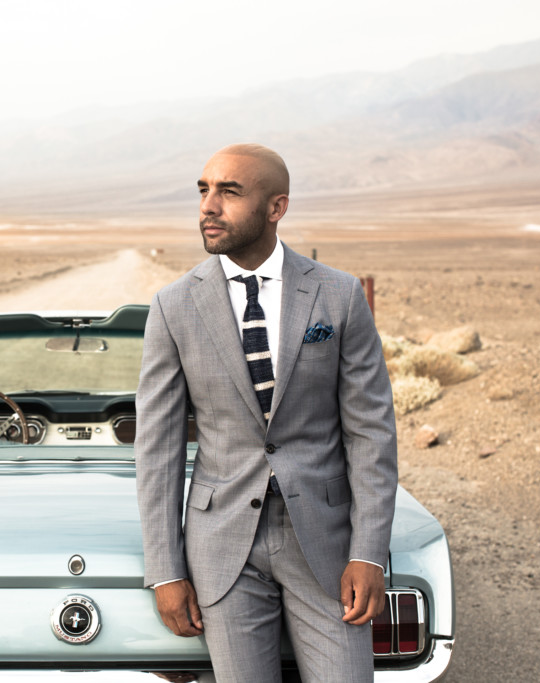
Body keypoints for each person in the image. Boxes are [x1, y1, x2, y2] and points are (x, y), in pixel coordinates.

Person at [135, 143, 398, 682]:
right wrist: (164, 570)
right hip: (223, 546)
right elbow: (157, 448)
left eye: (229, 192)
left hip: (326, 546)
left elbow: (371, 432)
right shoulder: (173, 306)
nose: (209, 205)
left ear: (276, 207)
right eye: (204, 190)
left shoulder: (339, 296)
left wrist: (369, 554)